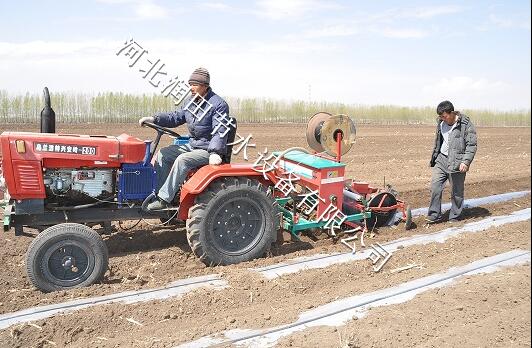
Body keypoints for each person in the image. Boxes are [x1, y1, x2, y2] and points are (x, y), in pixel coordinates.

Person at [138, 67, 230, 210]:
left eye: (195, 85)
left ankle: (164, 199)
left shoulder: (218, 104)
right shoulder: (190, 102)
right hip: (194, 145)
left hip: (208, 149)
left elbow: (220, 130)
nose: (191, 88)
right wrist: (154, 119)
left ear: (205, 86)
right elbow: (175, 117)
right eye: (190, 84)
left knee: (183, 160)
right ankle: (156, 194)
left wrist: (215, 152)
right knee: (163, 154)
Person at [426, 100, 477, 223]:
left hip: (457, 162)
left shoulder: (465, 124)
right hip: (442, 159)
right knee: (435, 186)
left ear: (452, 112)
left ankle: (455, 215)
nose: (443, 119)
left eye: (444, 116)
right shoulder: (441, 123)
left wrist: (466, 161)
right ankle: (434, 215)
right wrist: (436, 156)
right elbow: (439, 141)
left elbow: (472, 144)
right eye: (440, 117)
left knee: (457, 191)